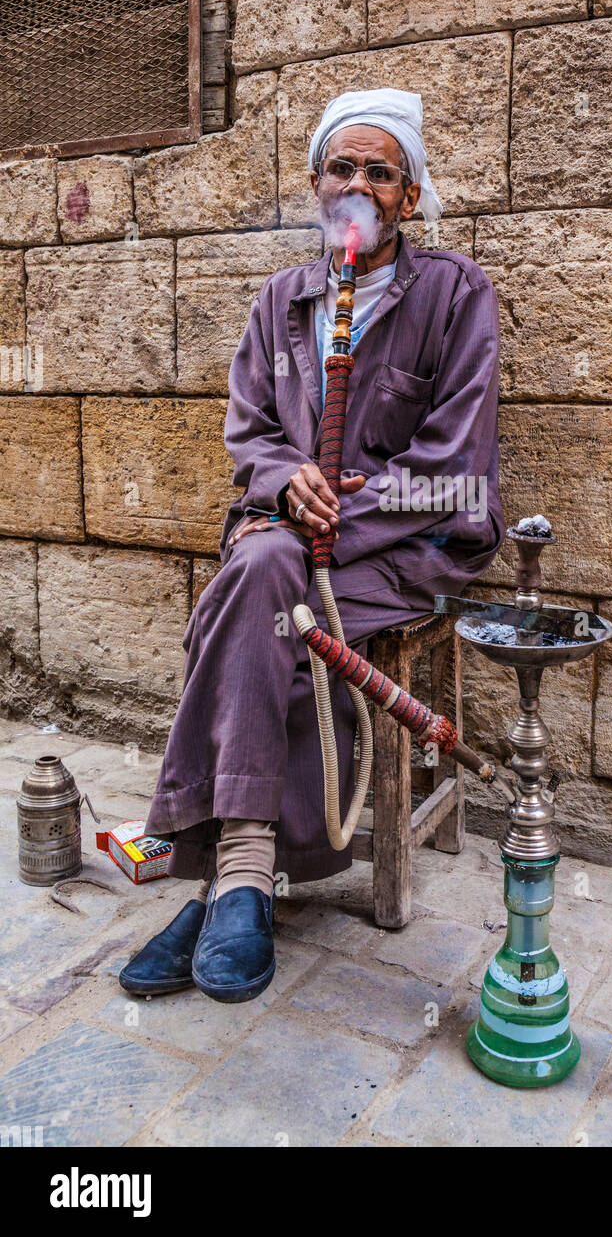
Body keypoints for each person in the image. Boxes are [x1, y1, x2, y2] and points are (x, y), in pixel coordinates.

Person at [119, 87, 504, 1003]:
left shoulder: (456, 294)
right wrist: (281, 479)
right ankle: (243, 878)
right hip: (288, 547)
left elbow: (454, 466)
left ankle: (226, 874)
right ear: (316, 187)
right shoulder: (283, 299)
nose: (360, 184)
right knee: (262, 573)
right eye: (343, 167)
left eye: (381, 171)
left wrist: (329, 515)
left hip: (410, 553)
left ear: (409, 198)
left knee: (250, 587)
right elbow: (249, 434)